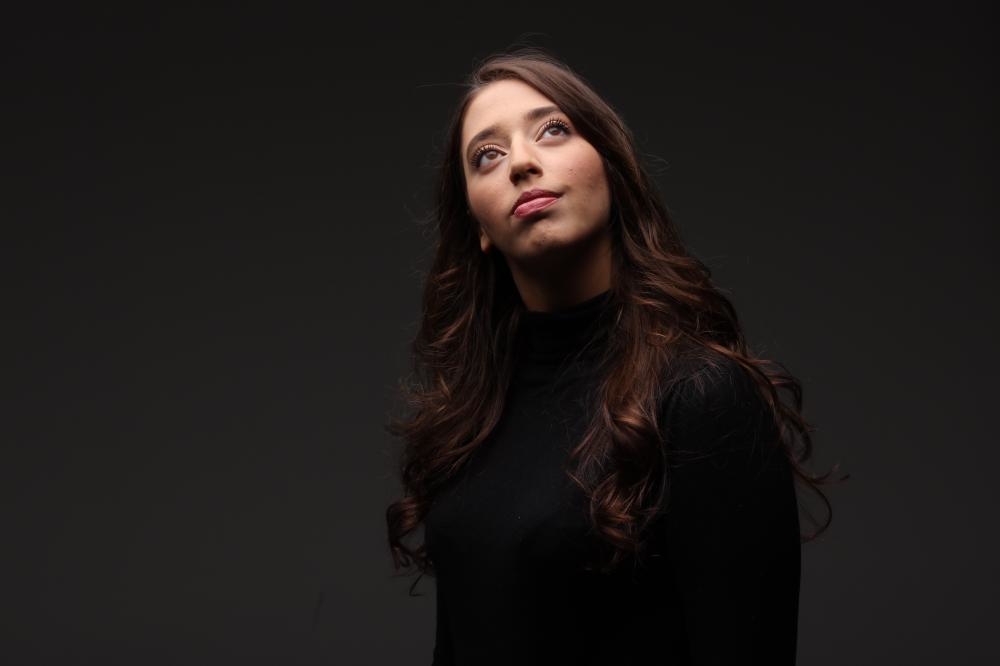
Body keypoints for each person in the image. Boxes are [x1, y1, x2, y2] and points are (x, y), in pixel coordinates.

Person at [385, 47, 836, 665]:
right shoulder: (469, 422)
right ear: (479, 226)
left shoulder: (700, 396)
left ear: (612, 169)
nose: (521, 162)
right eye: (487, 155)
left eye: (552, 129)